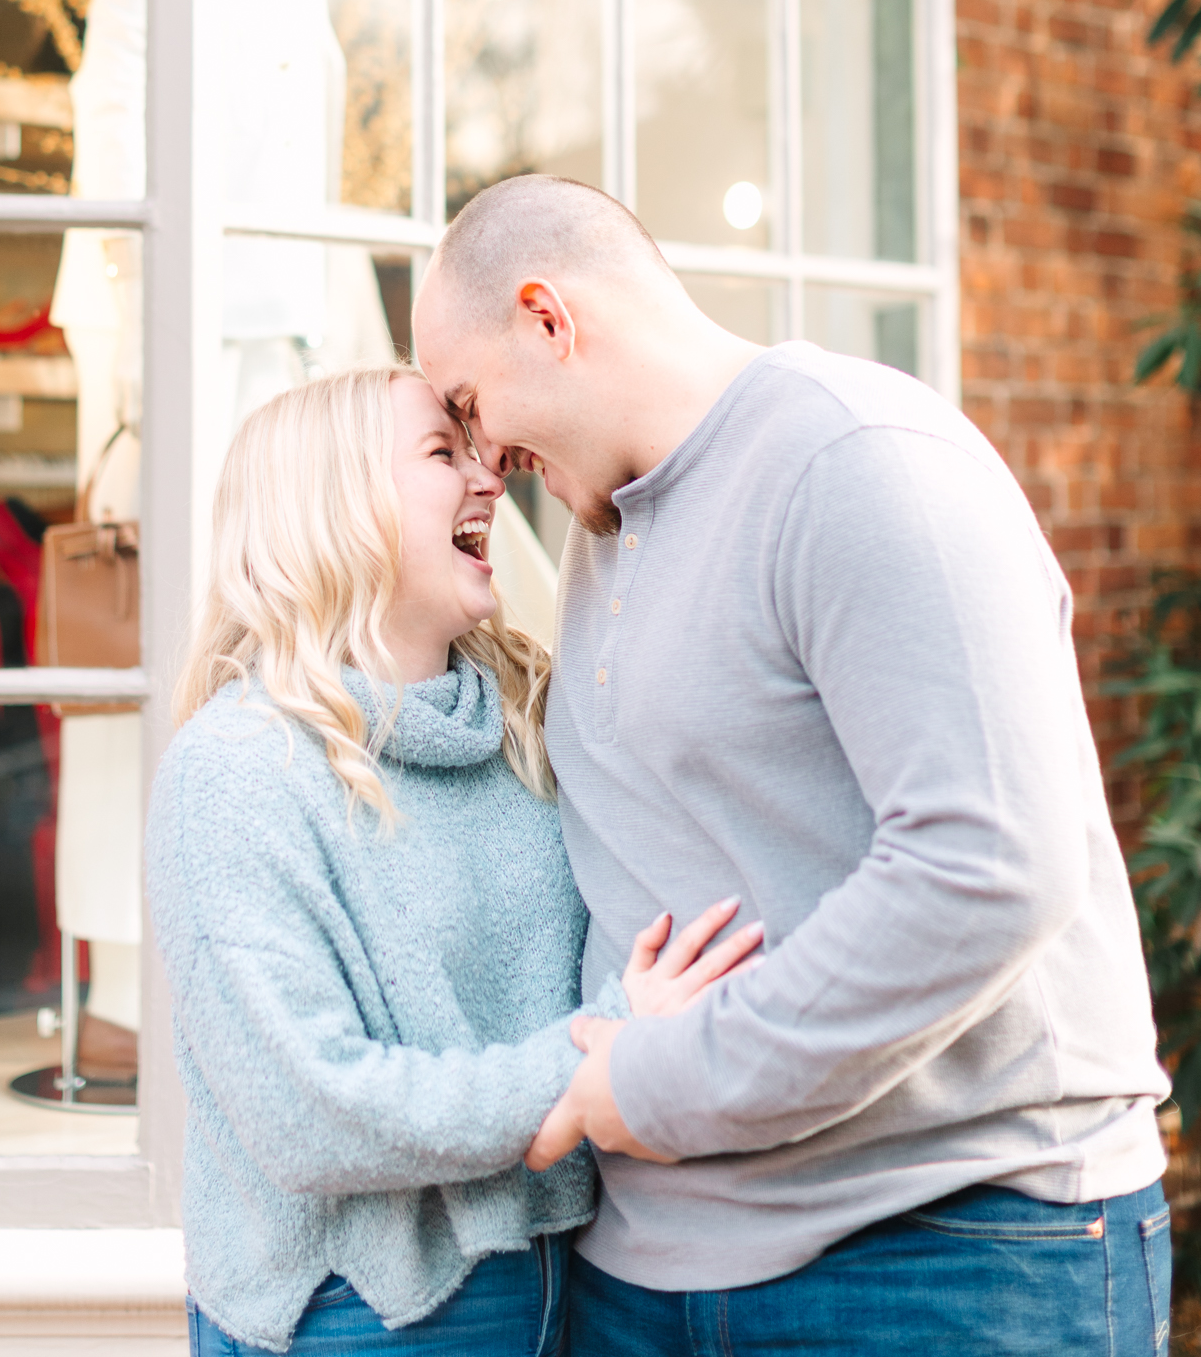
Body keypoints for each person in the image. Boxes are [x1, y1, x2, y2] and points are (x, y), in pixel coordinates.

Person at [411, 173, 1173, 1357]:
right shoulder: (601, 532)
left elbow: (987, 867)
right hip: (650, 1274)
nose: (480, 454)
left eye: (470, 401)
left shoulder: (861, 460)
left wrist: (661, 1084)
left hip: (939, 1252)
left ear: (549, 320)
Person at [147, 364, 760, 1356]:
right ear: (334, 509)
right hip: (362, 1317)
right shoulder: (235, 772)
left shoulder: (523, 719)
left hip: (585, 1278)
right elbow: (305, 1114)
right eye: (443, 453)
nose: (489, 478)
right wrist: (607, 1049)